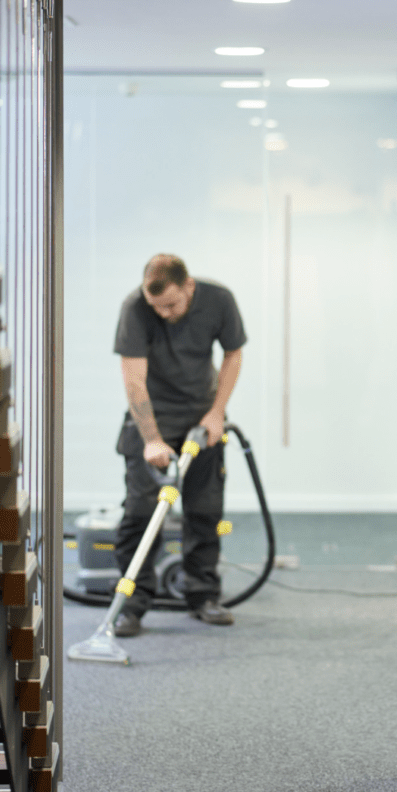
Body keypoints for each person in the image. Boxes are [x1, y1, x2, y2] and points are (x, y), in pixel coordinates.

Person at [112, 254, 246, 637]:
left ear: (189, 287)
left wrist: (217, 413)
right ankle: (131, 605)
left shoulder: (219, 300)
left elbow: (233, 355)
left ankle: (202, 595)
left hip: (201, 418)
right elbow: (134, 380)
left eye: (171, 304)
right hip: (150, 418)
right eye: (157, 307)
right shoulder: (135, 308)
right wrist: (151, 439)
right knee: (140, 513)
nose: (165, 313)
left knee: (204, 511)